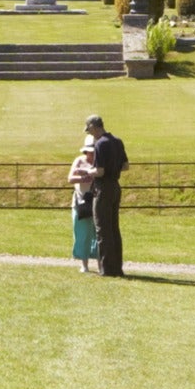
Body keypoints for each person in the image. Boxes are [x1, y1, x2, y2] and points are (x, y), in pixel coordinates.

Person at [85, 113, 128, 277]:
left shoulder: (100, 144)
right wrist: (114, 169)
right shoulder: (117, 141)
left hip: (103, 188)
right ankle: (117, 267)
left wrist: (89, 171)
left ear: (94, 127)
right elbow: (125, 166)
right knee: (114, 228)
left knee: (102, 229)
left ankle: (107, 269)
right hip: (116, 187)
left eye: (89, 129)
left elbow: (100, 171)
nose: (89, 133)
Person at [68, 136, 101, 272]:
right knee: (82, 233)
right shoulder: (79, 161)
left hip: (97, 200)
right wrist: (83, 177)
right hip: (81, 201)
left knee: (99, 233)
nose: (91, 154)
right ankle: (84, 265)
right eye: (89, 152)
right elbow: (70, 178)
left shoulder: (100, 162)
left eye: (93, 151)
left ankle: (101, 265)